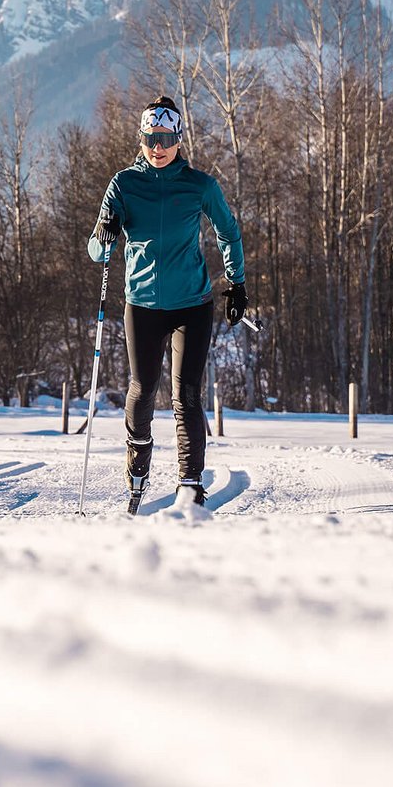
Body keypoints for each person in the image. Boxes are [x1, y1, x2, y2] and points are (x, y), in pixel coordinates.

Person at [87, 96, 248, 513]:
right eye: (149, 139)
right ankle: (137, 465)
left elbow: (228, 232)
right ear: (140, 139)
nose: (156, 147)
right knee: (142, 392)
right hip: (141, 305)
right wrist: (104, 232)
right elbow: (95, 252)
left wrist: (237, 283)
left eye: (164, 138)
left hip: (192, 305)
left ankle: (190, 486)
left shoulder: (199, 185)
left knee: (187, 396)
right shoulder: (123, 184)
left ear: (178, 139)